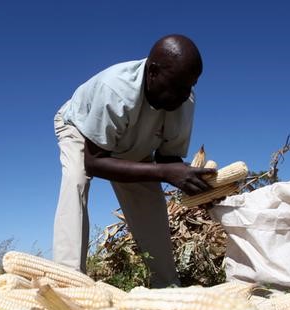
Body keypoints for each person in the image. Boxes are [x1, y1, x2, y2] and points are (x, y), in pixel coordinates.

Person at [52, 34, 211, 288]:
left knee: (150, 201)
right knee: (76, 180)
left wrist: (199, 187)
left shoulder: (183, 98)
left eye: (189, 87)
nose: (183, 95)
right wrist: (164, 173)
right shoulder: (115, 90)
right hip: (81, 129)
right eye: (177, 86)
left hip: (130, 137)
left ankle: (167, 285)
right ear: (153, 72)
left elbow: (168, 160)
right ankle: (69, 283)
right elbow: (94, 162)